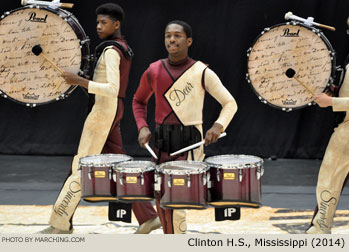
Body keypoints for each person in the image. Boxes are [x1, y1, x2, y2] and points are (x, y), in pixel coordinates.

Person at [38, 3, 160, 234]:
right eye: (97, 22)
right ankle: (148, 217)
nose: (98, 26)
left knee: (79, 166)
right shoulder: (121, 47)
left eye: (104, 23)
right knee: (122, 167)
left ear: (116, 24)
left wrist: (80, 81)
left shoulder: (112, 51)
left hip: (104, 111)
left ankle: (61, 224)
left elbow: (112, 88)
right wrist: (84, 79)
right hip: (112, 109)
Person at [132, 20, 237, 234]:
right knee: (162, 196)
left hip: (190, 140)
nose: (172, 39)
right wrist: (142, 126)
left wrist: (219, 125)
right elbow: (138, 101)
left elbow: (230, 103)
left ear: (188, 41)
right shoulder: (153, 70)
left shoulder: (201, 71)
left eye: (177, 35)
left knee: (176, 199)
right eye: (168, 35)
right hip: (161, 140)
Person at [305, 16, 349, 234]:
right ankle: (319, 230)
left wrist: (332, 102)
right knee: (328, 181)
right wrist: (334, 91)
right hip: (346, 129)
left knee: (329, 181)